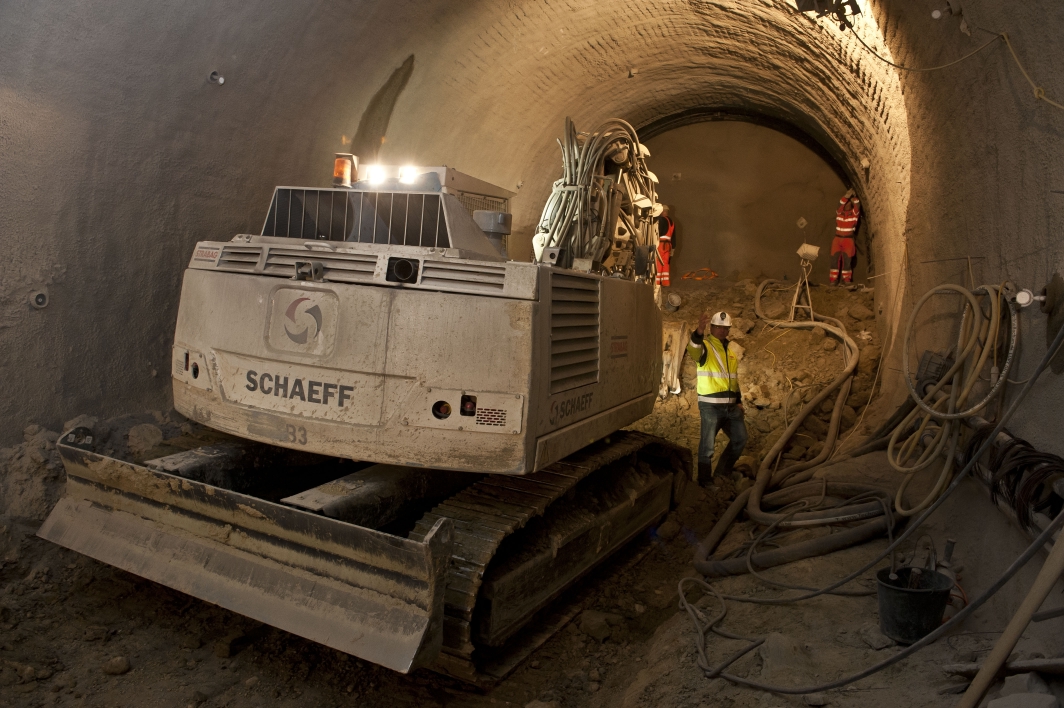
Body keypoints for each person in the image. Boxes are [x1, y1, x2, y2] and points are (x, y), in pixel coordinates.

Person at [687, 310, 747, 484]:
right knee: (707, 447)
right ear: (711, 327)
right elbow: (693, 349)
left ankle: (722, 474)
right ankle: (704, 482)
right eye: (718, 327)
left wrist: (738, 401)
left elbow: (733, 379)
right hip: (711, 406)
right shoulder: (705, 346)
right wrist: (699, 331)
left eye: (725, 328)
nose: (722, 330)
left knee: (740, 439)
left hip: (730, 407)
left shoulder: (730, 351)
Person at [830, 188, 860, 285]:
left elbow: (857, 206)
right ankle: (833, 280)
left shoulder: (854, 214)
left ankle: (846, 280)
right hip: (837, 239)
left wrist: (854, 197)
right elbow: (839, 204)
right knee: (834, 260)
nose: (847, 204)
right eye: (846, 203)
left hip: (848, 240)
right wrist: (846, 196)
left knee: (847, 260)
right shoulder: (839, 212)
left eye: (848, 203)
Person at [654, 205, 674, 286]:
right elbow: (674, 237)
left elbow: (658, 232)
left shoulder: (661, 220)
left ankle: (657, 282)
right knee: (666, 263)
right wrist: (673, 249)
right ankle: (665, 282)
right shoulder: (671, 222)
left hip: (661, 244)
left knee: (658, 262)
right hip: (668, 245)